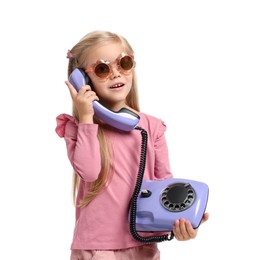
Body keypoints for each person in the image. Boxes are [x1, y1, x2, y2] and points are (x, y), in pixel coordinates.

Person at [55, 30, 209, 260]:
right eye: (103, 68)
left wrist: (179, 221)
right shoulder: (79, 128)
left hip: (143, 245)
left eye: (124, 63)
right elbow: (89, 171)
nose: (116, 73)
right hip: (98, 248)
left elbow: (162, 184)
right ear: (83, 81)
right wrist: (87, 119)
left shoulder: (152, 127)